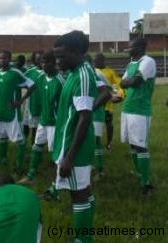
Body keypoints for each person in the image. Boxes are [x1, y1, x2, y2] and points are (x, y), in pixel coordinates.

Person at [51, 30, 97, 242]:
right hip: (67, 143)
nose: (57, 61)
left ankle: (82, 239)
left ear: (76, 52)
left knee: (77, 194)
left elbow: (85, 118)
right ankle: (85, 236)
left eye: (61, 56)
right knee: (84, 190)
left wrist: (69, 156)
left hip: (74, 148)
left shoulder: (84, 75)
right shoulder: (73, 72)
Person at [18, 50, 64, 185]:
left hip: (55, 123)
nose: (43, 65)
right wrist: (21, 101)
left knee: (56, 153)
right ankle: (31, 175)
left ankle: (58, 181)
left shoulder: (60, 81)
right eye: (42, 62)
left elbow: (66, 104)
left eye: (46, 62)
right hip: (43, 120)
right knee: (36, 146)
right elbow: (30, 87)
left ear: (53, 63)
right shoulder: (40, 78)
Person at [120, 38, 156, 196]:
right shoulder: (131, 63)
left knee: (141, 146)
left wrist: (128, 81)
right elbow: (123, 83)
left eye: (131, 48)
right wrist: (128, 81)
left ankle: (146, 184)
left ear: (141, 47)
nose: (129, 50)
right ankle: (140, 173)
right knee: (133, 145)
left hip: (140, 110)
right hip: (128, 108)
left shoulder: (148, 61)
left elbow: (134, 81)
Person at [0, 51, 35, 175]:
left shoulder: (15, 73)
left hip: (13, 114)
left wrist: (21, 101)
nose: (1, 60)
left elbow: (32, 85)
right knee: (2, 138)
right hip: (0, 113)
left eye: (4, 58)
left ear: (9, 59)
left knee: (20, 140)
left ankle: (19, 167)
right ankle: (3, 160)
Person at [94, 53, 124, 150]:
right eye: (94, 61)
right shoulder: (93, 71)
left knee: (108, 122)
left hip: (107, 102)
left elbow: (118, 85)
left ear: (103, 61)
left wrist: (120, 96)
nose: (96, 63)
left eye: (98, 61)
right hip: (97, 102)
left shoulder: (110, 72)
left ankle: (109, 142)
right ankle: (95, 142)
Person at [22, 51, 44, 144]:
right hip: (31, 102)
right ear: (34, 60)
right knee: (30, 126)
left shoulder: (48, 72)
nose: (40, 61)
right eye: (37, 59)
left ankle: (38, 144)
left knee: (41, 125)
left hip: (44, 103)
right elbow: (22, 83)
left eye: (41, 59)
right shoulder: (30, 72)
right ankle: (27, 143)